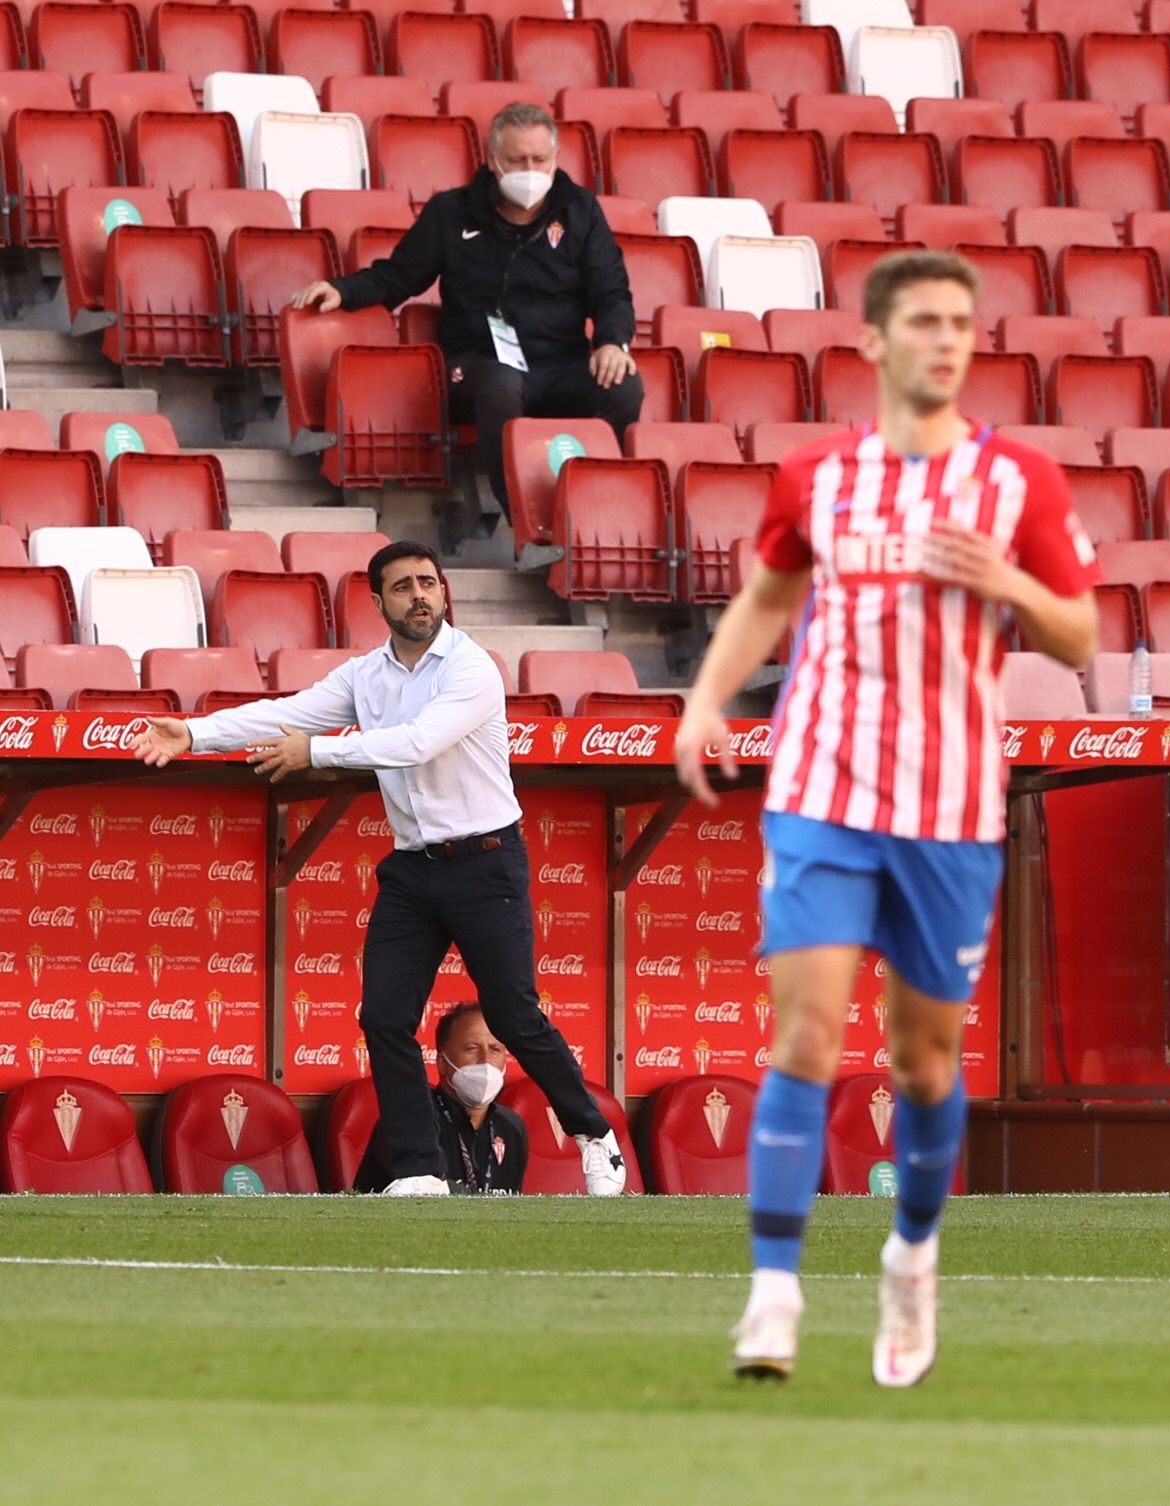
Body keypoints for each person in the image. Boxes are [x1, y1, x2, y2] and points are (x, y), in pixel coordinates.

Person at [674, 251, 1100, 1387]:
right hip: (821, 790)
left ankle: (912, 1256)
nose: (948, 340)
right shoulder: (816, 476)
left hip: (952, 804)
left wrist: (1006, 587)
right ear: (873, 341)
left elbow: (1080, 638)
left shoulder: (1020, 486)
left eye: (962, 323)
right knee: (804, 1034)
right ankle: (772, 1295)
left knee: (921, 1060)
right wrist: (709, 701)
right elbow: (769, 592)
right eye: (924, 322)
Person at [131, 540, 626, 1198]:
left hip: (485, 863)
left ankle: (595, 1136)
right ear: (377, 603)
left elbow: (417, 741)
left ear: (444, 592)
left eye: (428, 582)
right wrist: (193, 734)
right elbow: (286, 713)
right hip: (414, 873)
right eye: (402, 586)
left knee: (513, 1016)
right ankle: (420, 1169)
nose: (419, 595)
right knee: (384, 1018)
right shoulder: (366, 677)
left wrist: (320, 753)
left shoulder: (471, 668)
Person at [291, 102, 643, 524]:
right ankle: (524, 516)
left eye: (539, 159)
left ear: (555, 159)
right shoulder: (450, 212)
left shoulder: (581, 211)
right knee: (500, 382)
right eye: (517, 160)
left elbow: (611, 289)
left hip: (559, 363)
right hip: (477, 364)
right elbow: (400, 277)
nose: (529, 169)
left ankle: (593, 509)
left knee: (624, 384)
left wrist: (612, 341)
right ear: (492, 161)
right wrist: (344, 290)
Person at [357, 1003, 528, 1195]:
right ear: (442, 1062)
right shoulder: (408, 1121)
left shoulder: (511, 1127)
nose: (485, 1060)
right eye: (471, 1048)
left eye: (495, 1049)